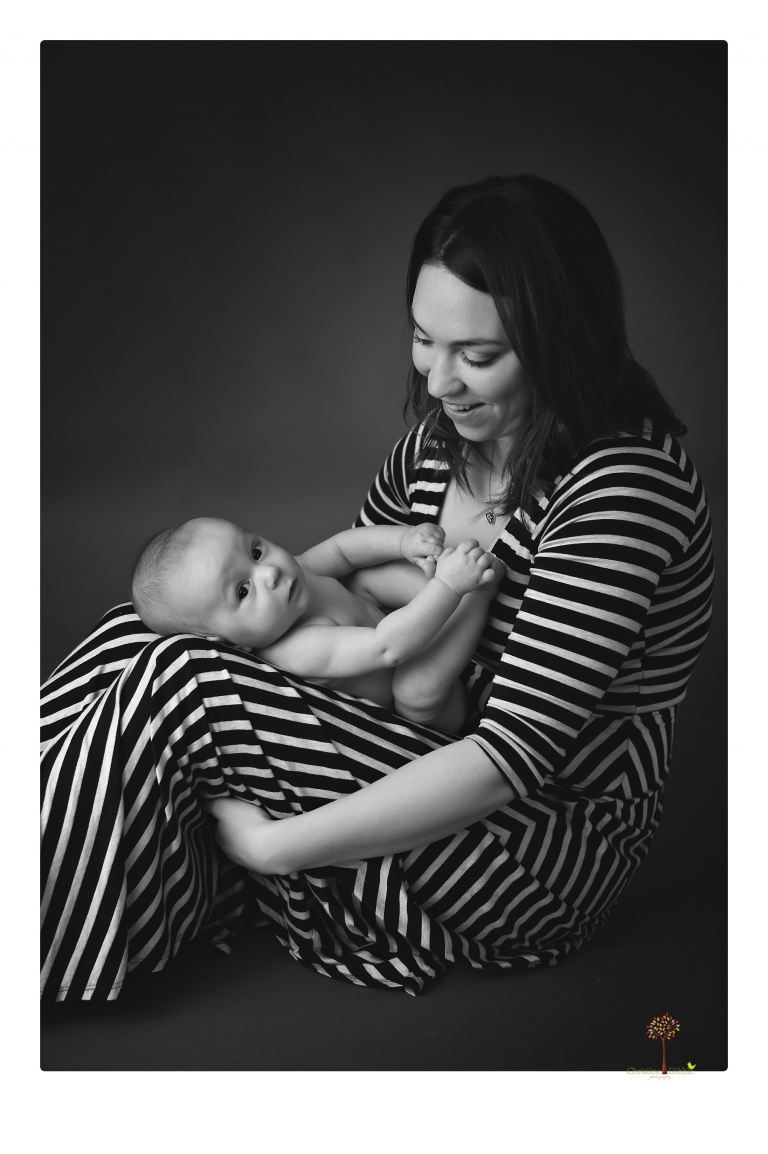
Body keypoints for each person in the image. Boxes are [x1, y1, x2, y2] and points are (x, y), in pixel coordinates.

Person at [41, 174, 713, 1003]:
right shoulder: (436, 450)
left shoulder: (621, 491)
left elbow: (509, 760)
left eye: (478, 355)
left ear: (561, 341)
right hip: (404, 737)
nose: (437, 382)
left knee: (187, 680)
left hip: (535, 846)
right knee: (150, 629)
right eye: (423, 340)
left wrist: (276, 848)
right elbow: (352, 623)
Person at [130, 515, 504, 731]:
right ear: (225, 643)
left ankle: (452, 579)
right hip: (428, 713)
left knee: (361, 579)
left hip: (403, 632)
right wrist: (446, 587)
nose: (270, 573)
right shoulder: (294, 649)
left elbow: (343, 549)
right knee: (415, 688)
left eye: (255, 550)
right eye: (242, 591)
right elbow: (387, 647)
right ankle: (473, 594)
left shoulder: (291, 574)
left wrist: (403, 541)